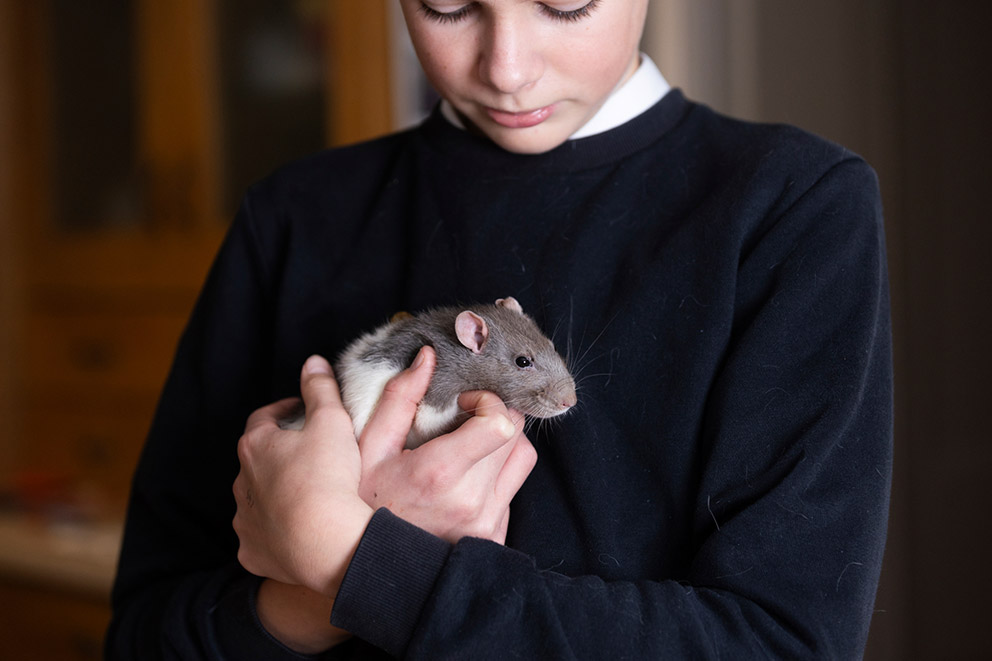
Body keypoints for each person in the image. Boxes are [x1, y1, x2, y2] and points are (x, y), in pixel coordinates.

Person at [106, 0, 893, 658]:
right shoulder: (292, 217)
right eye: (447, 4)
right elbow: (143, 633)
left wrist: (358, 562)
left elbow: (782, 642)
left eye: (564, 0)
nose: (507, 68)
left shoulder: (797, 209)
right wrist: (300, 599)